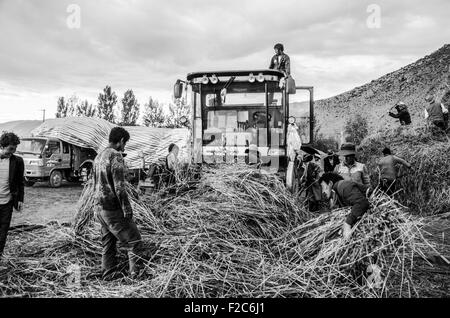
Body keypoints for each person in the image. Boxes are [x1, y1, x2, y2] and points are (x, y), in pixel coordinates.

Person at [92, 127, 145, 280]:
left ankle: (108, 274)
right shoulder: (115, 156)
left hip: (99, 208)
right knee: (134, 241)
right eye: (125, 143)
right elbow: (120, 187)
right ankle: (136, 277)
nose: (124, 146)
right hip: (112, 208)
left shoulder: (98, 156)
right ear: (121, 140)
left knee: (108, 243)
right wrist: (127, 210)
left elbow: (94, 184)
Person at [319, 173, 370, 239]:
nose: (322, 192)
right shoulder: (336, 193)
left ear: (330, 183)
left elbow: (361, 203)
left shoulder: (343, 186)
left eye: (323, 187)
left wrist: (347, 224)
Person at [0, 132, 24, 262]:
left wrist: (20, 199)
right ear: (2, 146)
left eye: (14, 149)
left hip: (7, 202)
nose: (13, 152)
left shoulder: (18, 161)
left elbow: (20, 183)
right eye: (10, 149)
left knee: (3, 230)